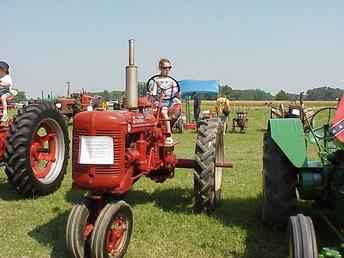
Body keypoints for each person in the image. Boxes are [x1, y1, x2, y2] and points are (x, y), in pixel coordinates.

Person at [148, 58, 180, 145]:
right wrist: (152, 93)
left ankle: (169, 134)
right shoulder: (156, 80)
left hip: (168, 102)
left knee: (163, 112)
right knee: (148, 114)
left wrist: (177, 94)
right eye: (165, 68)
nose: (167, 70)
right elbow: (154, 92)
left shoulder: (172, 81)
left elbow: (175, 92)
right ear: (160, 68)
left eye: (169, 68)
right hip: (158, 102)